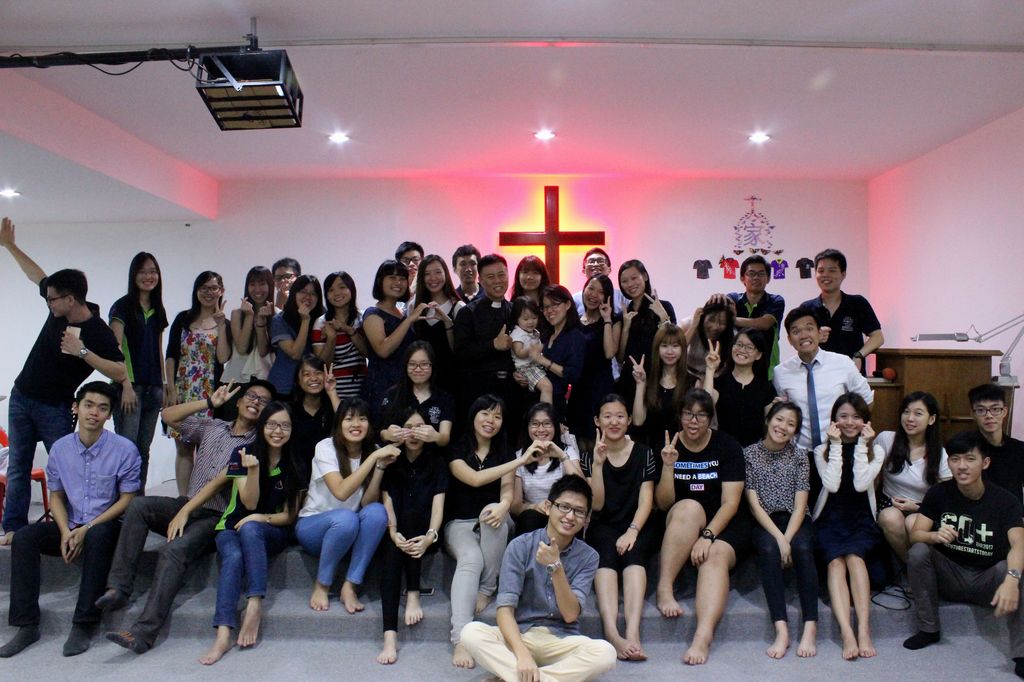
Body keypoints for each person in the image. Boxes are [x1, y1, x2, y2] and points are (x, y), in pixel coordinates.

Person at [98, 380, 274, 654]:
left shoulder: (255, 444)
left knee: (174, 549)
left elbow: (220, 484)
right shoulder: (213, 426)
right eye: (251, 396)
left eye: (263, 401)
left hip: (215, 517)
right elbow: (168, 415)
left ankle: (143, 633)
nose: (255, 402)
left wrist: (186, 511)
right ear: (238, 401)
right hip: (187, 502)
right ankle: (118, 588)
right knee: (139, 505)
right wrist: (209, 403)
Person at [0, 216, 126, 544]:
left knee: (66, 466)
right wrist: (10, 245)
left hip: (54, 408)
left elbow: (119, 371)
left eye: (53, 298)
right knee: (18, 466)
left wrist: (82, 352)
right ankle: (13, 530)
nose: (48, 302)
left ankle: (70, 527)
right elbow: (36, 275)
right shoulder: (57, 311)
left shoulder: (97, 330)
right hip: (22, 396)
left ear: (71, 299)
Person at [0, 382, 139, 658]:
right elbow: (56, 497)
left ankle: (84, 624)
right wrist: (65, 531)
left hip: (107, 526)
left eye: (102, 408)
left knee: (98, 534)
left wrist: (87, 528)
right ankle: (26, 625)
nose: (94, 413)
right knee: (24, 537)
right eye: (88, 405)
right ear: (76, 408)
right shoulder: (61, 449)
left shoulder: (124, 449)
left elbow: (127, 500)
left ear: (109, 415)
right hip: (72, 525)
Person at [460, 474, 618, 681]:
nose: (570, 516)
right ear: (548, 507)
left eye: (579, 511)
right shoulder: (520, 546)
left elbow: (570, 615)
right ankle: (540, 677)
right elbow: (505, 610)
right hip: (521, 634)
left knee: (606, 653)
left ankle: (516, 677)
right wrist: (523, 655)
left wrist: (556, 567)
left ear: (586, 519)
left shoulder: (589, 557)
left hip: (562, 640)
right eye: (564, 507)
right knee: (471, 632)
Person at [902, 431, 1024, 678]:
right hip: (950, 575)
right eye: (955, 459)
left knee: (1016, 570)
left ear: (985, 463)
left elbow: (1019, 543)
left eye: (970, 459)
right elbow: (915, 535)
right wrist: (934, 535)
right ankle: (928, 629)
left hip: (989, 577)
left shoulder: (1005, 501)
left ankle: (1021, 653)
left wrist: (1012, 580)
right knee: (918, 552)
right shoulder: (938, 493)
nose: (962, 466)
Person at [198, 401, 303, 665]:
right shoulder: (241, 453)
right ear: (262, 426)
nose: (278, 431)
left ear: (292, 429)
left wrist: (259, 519)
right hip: (230, 527)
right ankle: (223, 634)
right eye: (271, 424)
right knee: (233, 557)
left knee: (252, 528)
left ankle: (254, 604)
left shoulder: (297, 461)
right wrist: (253, 469)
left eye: (285, 425)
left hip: (271, 530)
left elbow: (289, 515)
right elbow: (249, 502)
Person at [655, 388, 750, 665]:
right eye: (687, 414)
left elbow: (731, 503)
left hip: (725, 521)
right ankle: (664, 588)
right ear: (680, 416)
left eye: (700, 415)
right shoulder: (669, 445)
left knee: (715, 555)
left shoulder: (727, 446)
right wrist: (668, 466)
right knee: (689, 506)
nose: (693, 421)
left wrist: (708, 536)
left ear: (710, 418)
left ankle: (702, 637)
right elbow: (664, 503)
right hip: (683, 520)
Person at [445, 395, 531, 669]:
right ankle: (460, 638)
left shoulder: (505, 450)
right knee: (470, 558)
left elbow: (507, 491)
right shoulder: (457, 448)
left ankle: (486, 587)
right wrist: (520, 461)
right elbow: (474, 479)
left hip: (495, 520)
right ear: (473, 416)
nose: (490, 421)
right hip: (459, 523)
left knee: (492, 513)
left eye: (497, 416)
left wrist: (504, 505)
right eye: (485, 413)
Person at [295, 397, 396, 613]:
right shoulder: (325, 447)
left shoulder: (373, 451)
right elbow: (341, 492)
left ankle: (350, 585)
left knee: (377, 512)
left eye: (362, 419)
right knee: (346, 518)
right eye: (349, 419)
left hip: (349, 529)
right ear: (339, 423)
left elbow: (367, 503)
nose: (356, 424)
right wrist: (374, 458)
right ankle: (322, 585)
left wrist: (379, 467)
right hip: (313, 526)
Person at [582, 394, 658, 661]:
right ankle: (612, 633)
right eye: (607, 416)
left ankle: (633, 632)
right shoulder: (588, 455)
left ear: (628, 420)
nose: (613, 422)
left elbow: (646, 500)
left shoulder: (645, 453)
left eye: (619, 416)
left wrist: (633, 530)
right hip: (603, 523)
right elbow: (597, 505)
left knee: (634, 555)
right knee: (605, 554)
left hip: (637, 523)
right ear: (597, 421)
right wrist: (598, 464)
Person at [772, 305, 874, 499]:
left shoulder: (843, 363)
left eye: (809, 328)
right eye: (796, 331)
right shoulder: (781, 372)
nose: (803, 335)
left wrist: (853, 434)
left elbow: (867, 402)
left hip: (838, 450)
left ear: (820, 333)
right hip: (800, 455)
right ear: (789, 340)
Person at [744, 401, 818, 659]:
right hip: (765, 520)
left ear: (795, 431)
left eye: (791, 424)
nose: (783, 426)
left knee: (803, 547)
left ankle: (810, 626)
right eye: (779, 419)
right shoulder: (749, 454)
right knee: (769, 549)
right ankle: (782, 630)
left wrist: (787, 538)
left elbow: (800, 505)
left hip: (796, 518)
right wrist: (780, 539)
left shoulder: (800, 456)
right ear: (768, 420)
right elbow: (754, 505)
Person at [812, 392, 881, 660]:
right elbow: (831, 484)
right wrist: (836, 445)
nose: (850, 422)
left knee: (855, 558)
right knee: (835, 563)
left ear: (866, 421)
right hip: (831, 518)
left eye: (856, 417)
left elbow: (861, 484)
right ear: (834, 420)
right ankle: (846, 632)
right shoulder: (822, 450)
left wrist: (862, 445)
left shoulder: (876, 450)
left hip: (860, 518)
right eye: (843, 416)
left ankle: (863, 629)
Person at [376, 407, 448, 665]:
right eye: (408, 427)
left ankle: (414, 593)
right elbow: (387, 501)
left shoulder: (438, 462)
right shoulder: (391, 460)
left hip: (427, 534)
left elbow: (438, 507)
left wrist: (430, 536)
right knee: (392, 552)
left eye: (420, 427)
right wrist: (393, 532)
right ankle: (389, 638)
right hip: (397, 533)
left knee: (414, 519)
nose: (414, 433)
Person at [165, 271, 232, 495]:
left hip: (210, 393)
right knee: (183, 448)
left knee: (206, 450)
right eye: (204, 288)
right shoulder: (183, 319)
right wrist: (171, 388)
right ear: (196, 291)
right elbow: (171, 355)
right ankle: (183, 499)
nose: (209, 292)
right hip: (183, 389)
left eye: (213, 288)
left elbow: (223, 358)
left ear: (221, 291)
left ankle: (200, 501)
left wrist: (222, 326)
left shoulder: (225, 323)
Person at [108, 251, 169, 493]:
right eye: (142, 271)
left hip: (154, 388)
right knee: (127, 448)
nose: (148, 276)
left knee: (143, 449)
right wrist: (125, 385)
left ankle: (138, 501)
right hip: (129, 387)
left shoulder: (158, 308)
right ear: (133, 275)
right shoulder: (122, 306)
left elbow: (159, 349)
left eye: (153, 271)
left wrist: (164, 384)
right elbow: (114, 349)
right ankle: (121, 502)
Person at [876, 392, 951, 561]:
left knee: (913, 523)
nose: (910, 418)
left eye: (918, 413)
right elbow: (873, 478)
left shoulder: (940, 455)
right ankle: (911, 568)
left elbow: (947, 496)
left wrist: (917, 508)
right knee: (890, 518)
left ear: (931, 419)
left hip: (923, 508)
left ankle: (917, 570)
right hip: (889, 504)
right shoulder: (886, 439)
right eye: (906, 412)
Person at [453, 254, 518, 426]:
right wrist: (493, 345)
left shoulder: (516, 311)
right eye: (490, 277)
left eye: (501, 275)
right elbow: (460, 354)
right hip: (479, 391)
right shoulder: (468, 312)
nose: (497, 281)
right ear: (480, 280)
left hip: (512, 390)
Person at [801, 248, 884, 373]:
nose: (825, 275)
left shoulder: (858, 303)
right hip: (817, 374)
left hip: (851, 374)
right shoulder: (806, 308)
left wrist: (859, 355)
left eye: (832, 270)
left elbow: (878, 337)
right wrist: (814, 338)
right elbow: (800, 342)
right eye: (821, 271)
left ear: (843, 274)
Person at [362, 260, 426, 420]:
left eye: (402, 278)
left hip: (404, 386)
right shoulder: (373, 313)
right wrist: (409, 320)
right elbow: (383, 350)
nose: (398, 282)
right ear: (380, 281)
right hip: (381, 387)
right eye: (392, 277)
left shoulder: (402, 313)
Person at [512, 403, 582, 536]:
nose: (541, 429)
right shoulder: (520, 457)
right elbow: (515, 507)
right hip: (534, 515)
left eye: (547, 424)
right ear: (527, 427)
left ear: (555, 426)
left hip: (564, 513)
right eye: (535, 424)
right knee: (529, 518)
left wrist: (562, 456)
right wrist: (535, 506)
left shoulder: (567, 451)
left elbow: (581, 488)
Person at [568, 274, 620, 446]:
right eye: (591, 288)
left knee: (599, 440)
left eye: (600, 292)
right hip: (578, 388)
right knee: (577, 439)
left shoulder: (614, 320)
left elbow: (609, 353)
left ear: (607, 297)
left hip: (600, 387)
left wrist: (606, 319)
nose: (593, 294)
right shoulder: (574, 321)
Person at [617, 259, 675, 402]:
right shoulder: (623, 314)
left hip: (657, 377)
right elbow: (620, 357)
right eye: (624, 281)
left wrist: (663, 316)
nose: (630, 284)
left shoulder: (664, 306)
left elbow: (673, 343)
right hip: (630, 377)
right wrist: (626, 328)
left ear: (645, 276)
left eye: (634, 278)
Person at [379, 341, 455, 448]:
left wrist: (436, 436)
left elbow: (445, 438)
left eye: (424, 364)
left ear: (432, 366)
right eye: (412, 364)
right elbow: (380, 431)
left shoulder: (444, 398)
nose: (418, 369)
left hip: (433, 455)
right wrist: (387, 434)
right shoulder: (392, 394)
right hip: (397, 454)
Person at [629, 323, 693, 448]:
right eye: (664, 346)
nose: (669, 351)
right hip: (652, 449)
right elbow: (638, 421)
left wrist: (710, 369)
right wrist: (640, 384)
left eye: (675, 346)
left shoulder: (692, 382)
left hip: (683, 450)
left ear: (683, 349)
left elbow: (706, 412)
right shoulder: (648, 379)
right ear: (657, 349)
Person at [411, 254, 465, 393]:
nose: (433, 278)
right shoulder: (414, 307)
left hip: (451, 379)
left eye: (438, 272)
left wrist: (448, 323)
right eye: (427, 274)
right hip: (420, 380)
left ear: (446, 274)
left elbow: (459, 350)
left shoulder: (458, 307)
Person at [714, 329, 777, 447]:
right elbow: (706, 405)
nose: (742, 350)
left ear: (759, 355)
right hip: (723, 448)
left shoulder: (766, 388)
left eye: (749, 347)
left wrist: (778, 410)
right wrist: (710, 369)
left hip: (755, 450)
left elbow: (770, 424)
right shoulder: (718, 382)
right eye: (739, 344)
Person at [725, 255, 786, 376]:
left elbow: (765, 323)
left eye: (761, 274)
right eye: (751, 273)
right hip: (734, 370)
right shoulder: (733, 298)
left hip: (767, 371)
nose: (756, 277)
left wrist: (732, 319)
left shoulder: (776, 300)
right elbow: (721, 317)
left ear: (768, 278)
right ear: (742, 278)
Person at [535, 285, 586, 426]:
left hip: (561, 403)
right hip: (538, 398)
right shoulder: (546, 334)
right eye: (545, 307)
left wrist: (543, 361)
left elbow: (572, 374)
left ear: (568, 304)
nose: (549, 311)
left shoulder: (575, 336)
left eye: (554, 305)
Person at [313, 270, 368, 399]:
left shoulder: (363, 318)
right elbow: (322, 366)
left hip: (363, 390)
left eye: (342, 287)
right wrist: (331, 338)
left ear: (352, 289)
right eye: (331, 290)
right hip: (334, 392)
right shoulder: (321, 323)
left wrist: (348, 330)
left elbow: (368, 353)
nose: (337, 293)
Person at [267, 274, 324, 398]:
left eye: (313, 293)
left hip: (313, 386)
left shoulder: (322, 320)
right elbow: (295, 353)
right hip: (283, 387)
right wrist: (305, 320)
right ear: (294, 294)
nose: (308, 297)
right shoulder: (280, 320)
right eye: (303, 292)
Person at [289, 354, 341, 485]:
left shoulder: (333, 405)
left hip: (331, 473)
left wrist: (332, 391)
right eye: (306, 374)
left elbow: (345, 421)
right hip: (297, 475)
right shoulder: (290, 409)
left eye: (318, 373)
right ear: (298, 381)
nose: (313, 378)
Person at [969, 382, 1024, 506]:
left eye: (995, 409)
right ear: (972, 414)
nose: (989, 415)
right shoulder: (967, 449)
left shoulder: (1019, 449)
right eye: (981, 410)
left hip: (1014, 514)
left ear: (1004, 411)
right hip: (978, 514)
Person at [223, 266, 275, 387]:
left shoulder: (277, 315)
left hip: (264, 379)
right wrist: (249, 316)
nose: (257, 289)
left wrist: (261, 322)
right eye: (252, 284)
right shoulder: (237, 313)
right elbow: (241, 348)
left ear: (270, 286)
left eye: (262, 284)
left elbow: (263, 351)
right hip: (236, 379)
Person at [510, 296, 554, 406]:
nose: (530, 322)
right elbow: (518, 352)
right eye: (525, 319)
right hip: (526, 368)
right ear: (517, 319)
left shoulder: (535, 332)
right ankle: (546, 413)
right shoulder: (517, 333)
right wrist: (531, 349)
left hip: (536, 365)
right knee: (547, 386)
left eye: (534, 318)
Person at [682, 298, 734, 382]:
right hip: (688, 375)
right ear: (703, 316)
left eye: (722, 322)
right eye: (711, 320)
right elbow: (678, 350)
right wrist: (694, 326)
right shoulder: (689, 323)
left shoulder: (730, 334)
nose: (715, 327)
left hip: (716, 378)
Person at [572, 248, 628, 316]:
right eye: (591, 261)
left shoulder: (622, 297)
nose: (596, 264)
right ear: (584, 271)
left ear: (609, 270)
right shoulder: (574, 300)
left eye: (600, 261)